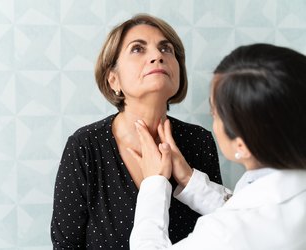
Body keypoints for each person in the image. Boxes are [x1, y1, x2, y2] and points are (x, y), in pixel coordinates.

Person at [50, 14, 222, 249]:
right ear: (113, 80)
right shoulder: (85, 147)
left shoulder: (199, 141)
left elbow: (223, 232)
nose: (157, 56)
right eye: (138, 49)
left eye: (166, 49)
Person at [129, 43, 306, 250]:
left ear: (242, 144)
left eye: (214, 114)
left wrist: (154, 183)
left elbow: (243, 226)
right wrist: (189, 180)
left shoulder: (226, 233)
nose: (157, 57)